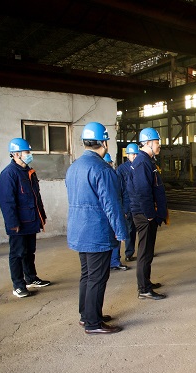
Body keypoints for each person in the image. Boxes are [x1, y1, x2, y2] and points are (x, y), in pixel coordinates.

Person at [66, 122, 127, 334]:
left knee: (87, 275)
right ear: (104, 143)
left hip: (79, 230)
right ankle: (93, 323)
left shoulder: (74, 167)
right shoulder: (102, 169)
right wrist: (121, 232)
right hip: (97, 232)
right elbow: (112, 205)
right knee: (97, 278)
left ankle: (87, 316)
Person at [0, 138, 51, 298]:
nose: (29, 155)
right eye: (27, 152)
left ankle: (31, 278)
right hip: (18, 223)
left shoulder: (29, 172)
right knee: (17, 253)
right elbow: (6, 201)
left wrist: (41, 215)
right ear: (16, 154)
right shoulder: (9, 174)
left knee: (29, 251)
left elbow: (36, 197)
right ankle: (18, 285)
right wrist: (12, 223)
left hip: (31, 220)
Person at [128, 127, 167, 300]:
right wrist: (150, 214)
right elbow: (142, 192)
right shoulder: (142, 162)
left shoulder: (146, 161)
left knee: (148, 250)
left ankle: (146, 282)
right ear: (148, 143)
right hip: (144, 215)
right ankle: (143, 289)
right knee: (144, 252)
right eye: (157, 142)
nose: (159, 146)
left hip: (147, 213)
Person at [103, 153, 129, 272]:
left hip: (115, 211)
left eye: (109, 163)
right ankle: (107, 262)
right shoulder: (99, 176)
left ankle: (114, 261)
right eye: (107, 163)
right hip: (103, 214)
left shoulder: (115, 177)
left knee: (116, 236)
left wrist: (124, 210)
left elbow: (124, 194)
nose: (109, 165)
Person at [117, 143, 139, 262]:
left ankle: (144, 252)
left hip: (139, 203)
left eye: (136, 154)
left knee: (143, 229)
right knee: (130, 229)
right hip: (128, 204)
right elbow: (119, 190)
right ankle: (129, 253)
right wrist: (123, 208)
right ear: (127, 155)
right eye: (132, 154)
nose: (134, 156)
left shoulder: (141, 166)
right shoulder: (121, 170)